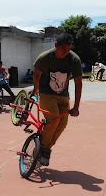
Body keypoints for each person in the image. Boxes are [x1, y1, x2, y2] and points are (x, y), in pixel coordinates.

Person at [30, 33, 83, 166]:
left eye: (69, 49)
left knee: (62, 124)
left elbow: (78, 83)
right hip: (47, 94)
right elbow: (36, 73)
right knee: (53, 120)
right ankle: (43, 148)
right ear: (56, 45)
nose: (66, 52)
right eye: (63, 49)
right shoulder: (45, 58)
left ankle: (45, 148)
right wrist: (35, 89)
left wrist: (76, 106)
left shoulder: (74, 60)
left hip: (63, 96)